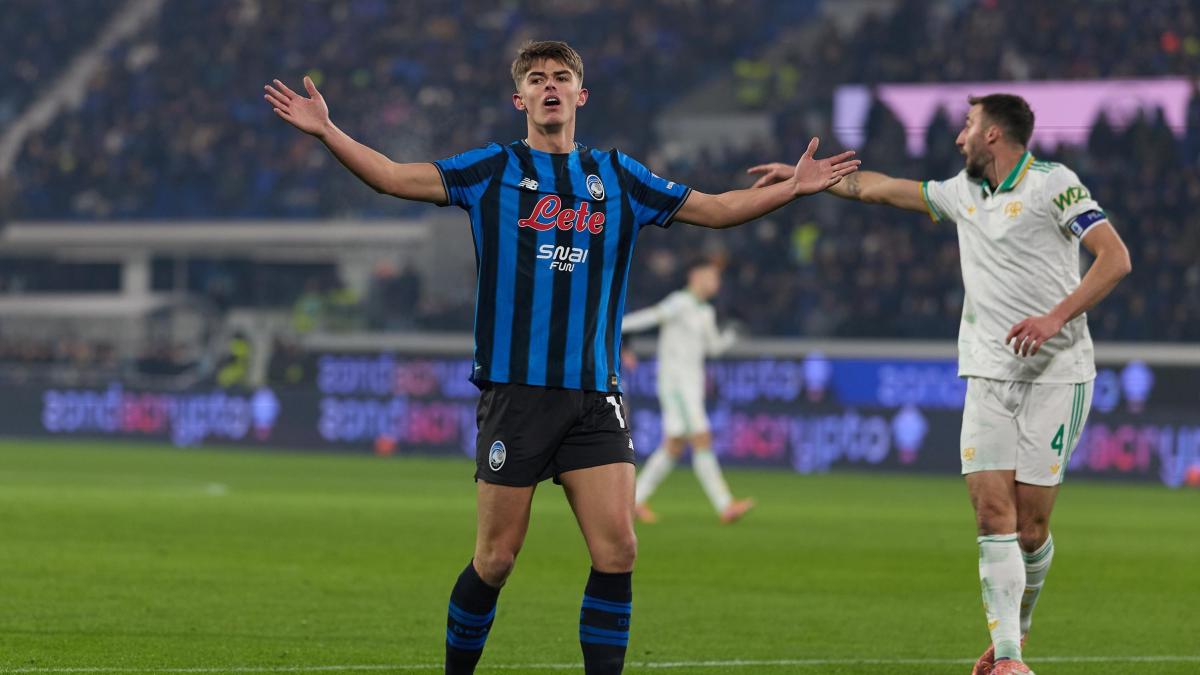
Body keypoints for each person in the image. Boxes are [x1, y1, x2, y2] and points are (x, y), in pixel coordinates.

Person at [265, 40, 858, 674]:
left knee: (619, 551)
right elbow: (392, 175)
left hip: (595, 397)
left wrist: (794, 188)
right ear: (519, 99)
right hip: (516, 394)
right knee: (496, 560)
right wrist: (328, 132)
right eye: (537, 78)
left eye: (561, 76)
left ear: (581, 94)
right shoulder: (492, 170)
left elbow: (716, 210)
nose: (550, 85)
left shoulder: (619, 177)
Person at [749, 93, 1130, 675]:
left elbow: (1114, 258)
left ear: (993, 134)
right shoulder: (962, 192)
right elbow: (882, 188)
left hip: (1057, 375)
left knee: (1031, 530)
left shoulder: (1054, 184)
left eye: (968, 125)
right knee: (992, 515)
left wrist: (1055, 318)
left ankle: (1019, 627)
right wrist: (811, 182)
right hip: (987, 373)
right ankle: (1008, 659)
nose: (958, 137)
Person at [621, 257, 754, 524]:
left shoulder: (705, 311)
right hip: (677, 385)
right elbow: (650, 317)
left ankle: (634, 501)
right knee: (701, 437)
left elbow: (712, 348)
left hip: (692, 384)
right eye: (711, 276)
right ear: (695, 276)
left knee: (674, 446)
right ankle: (725, 505)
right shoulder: (680, 302)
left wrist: (731, 336)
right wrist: (616, 325)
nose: (716, 282)